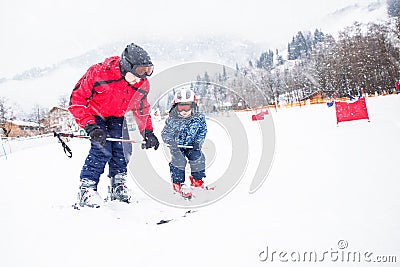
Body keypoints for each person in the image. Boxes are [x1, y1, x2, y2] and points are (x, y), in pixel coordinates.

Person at [68, 43, 160, 208]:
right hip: (95, 115)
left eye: (146, 72)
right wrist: (90, 126)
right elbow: (77, 100)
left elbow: (141, 109)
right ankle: (86, 189)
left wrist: (148, 132)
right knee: (101, 149)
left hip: (118, 115)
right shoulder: (98, 73)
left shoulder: (142, 83)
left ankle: (118, 184)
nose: (140, 79)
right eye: (137, 73)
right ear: (125, 66)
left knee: (122, 149)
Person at [161, 88, 207, 199]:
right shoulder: (172, 119)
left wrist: (197, 142)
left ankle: (197, 180)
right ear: (175, 107)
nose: (184, 111)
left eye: (187, 107)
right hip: (177, 146)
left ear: (193, 106)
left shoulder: (199, 118)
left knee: (198, 157)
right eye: (181, 107)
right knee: (179, 160)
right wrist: (171, 142)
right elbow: (165, 134)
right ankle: (178, 183)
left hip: (192, 145)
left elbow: (202, 131)